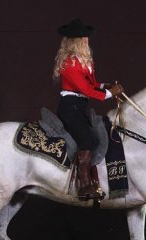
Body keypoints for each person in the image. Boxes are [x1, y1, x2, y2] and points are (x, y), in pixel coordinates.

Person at [53, 18, 124, 200]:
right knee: (87, 140)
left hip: (79, 106)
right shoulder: (70, 64)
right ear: (76, 41)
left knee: (94, 136)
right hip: (70, 107)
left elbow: (90, 84)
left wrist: (104, 85)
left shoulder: (82, 61)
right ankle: (84, 186)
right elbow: (84, 89)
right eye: (83, 38)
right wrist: (109, 94)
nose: (87, 40)